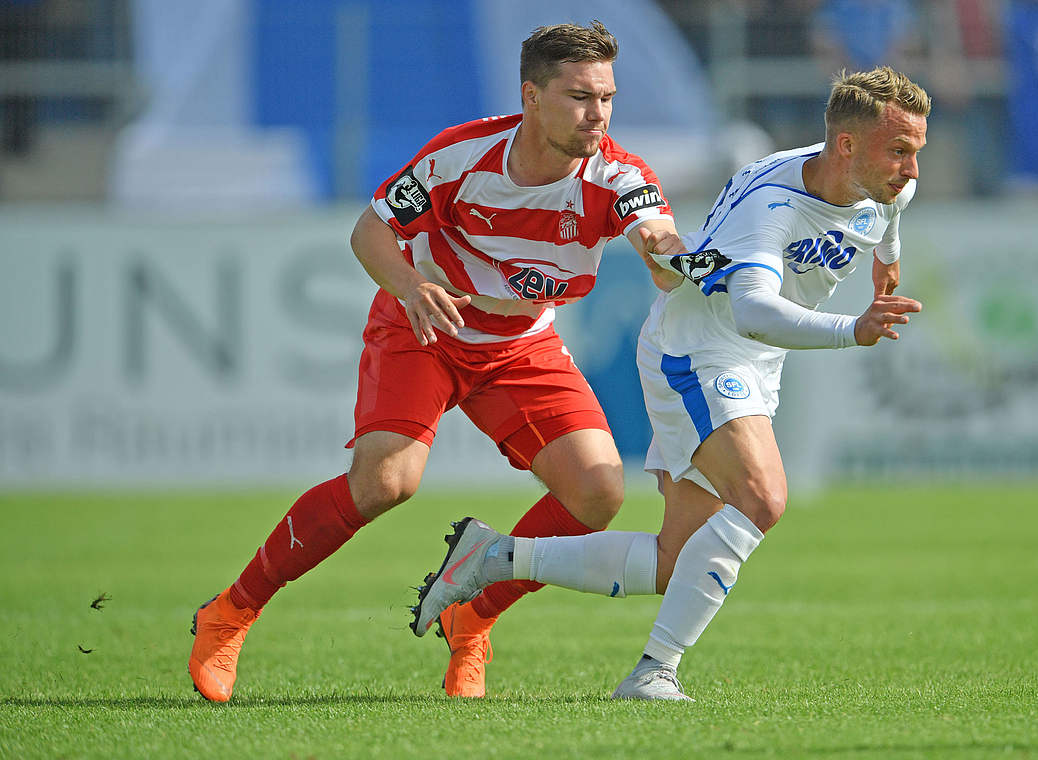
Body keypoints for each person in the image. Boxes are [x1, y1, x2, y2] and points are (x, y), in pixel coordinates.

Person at [188, 20, 687, 703]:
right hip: (425, 326)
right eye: (578, 96)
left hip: (519, 347)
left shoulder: (618, 176)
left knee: (598, 491)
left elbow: (654, 231)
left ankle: (471, 614)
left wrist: (673, 252)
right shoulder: (460, 156)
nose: (596, 113)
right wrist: (410, 286)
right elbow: (370, 231)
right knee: (385, 482)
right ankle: (230, 611)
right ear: (531, 96)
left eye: (606, 97)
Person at [411, 66, 929, 700]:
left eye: (915, 151)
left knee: (672, 562)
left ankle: (494, 558)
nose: (910, 169)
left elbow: (890, 223)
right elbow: (753, 311)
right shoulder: (774, 209)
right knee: (763, 498)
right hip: (699, 351)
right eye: (898, 150)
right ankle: (653, 673)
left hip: (750, 361)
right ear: (846, 145)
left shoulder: (881, 185)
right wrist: (855, 327)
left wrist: (887, 265)